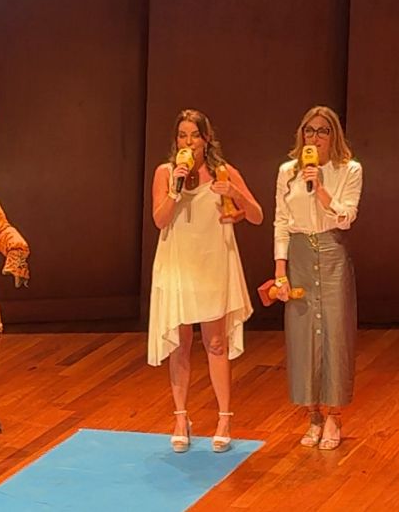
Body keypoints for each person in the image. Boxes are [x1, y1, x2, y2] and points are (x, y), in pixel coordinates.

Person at [147, 109, 263, 453]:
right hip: (178, 263)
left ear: (206, 139)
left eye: (194, 135)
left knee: (215, 343)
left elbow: (256, 216)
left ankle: (224, 419)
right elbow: (159, 220)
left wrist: (235, 193)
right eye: (182, 135)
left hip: (212, 262)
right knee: (181, 344)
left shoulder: (222, 172)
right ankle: (181, 418)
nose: (189, 142)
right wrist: (175, 189)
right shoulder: (165, 173)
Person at [271, 105, 362, 450]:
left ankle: (334, 416)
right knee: (302, 334)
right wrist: (280, 270)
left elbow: (346, 217)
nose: (315, 137)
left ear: (333, 135)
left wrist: (321, 188)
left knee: (336, 332)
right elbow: (281, 221)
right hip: (299, 254)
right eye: (309, 130)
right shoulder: (287, 171)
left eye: (323, 131)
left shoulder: (349, 169)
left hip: (332, 249)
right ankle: (312, 415)